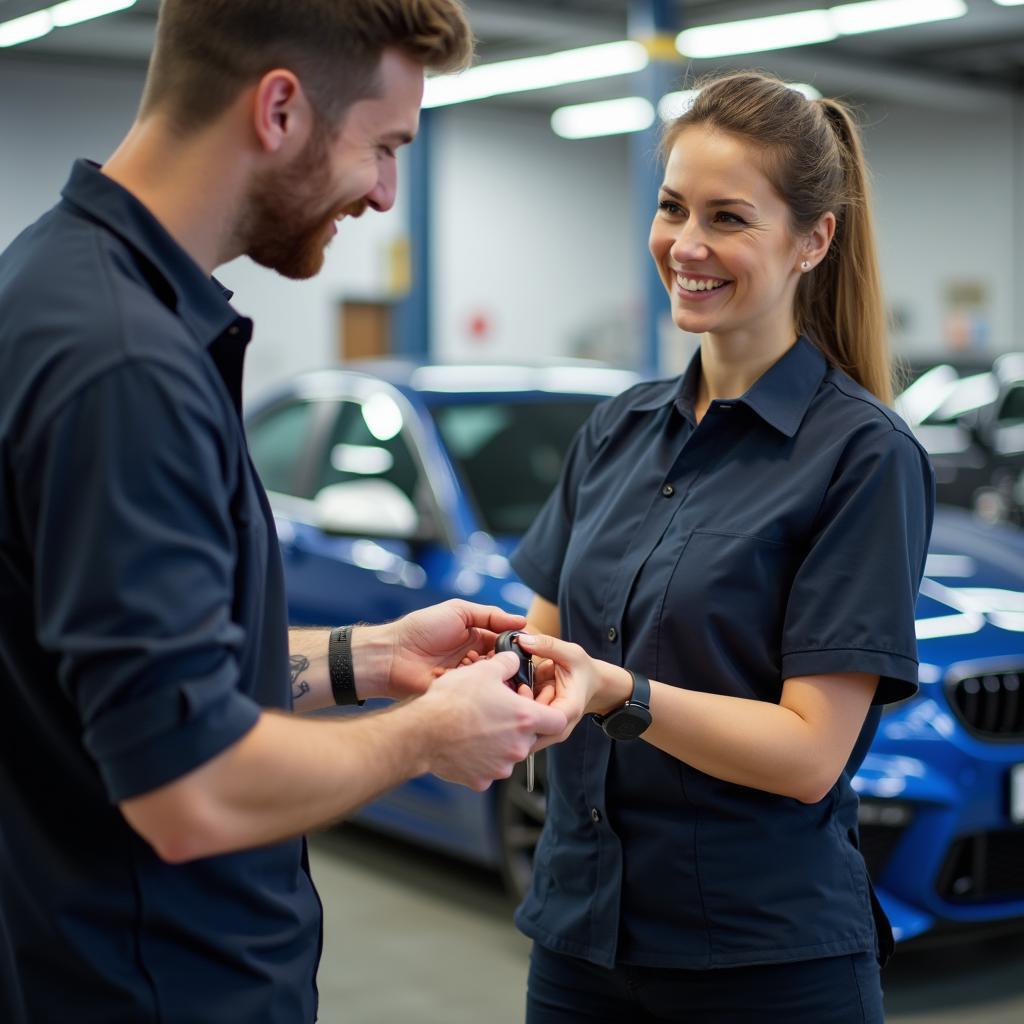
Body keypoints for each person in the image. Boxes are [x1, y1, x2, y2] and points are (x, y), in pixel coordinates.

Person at [0, 2, 567, 1022]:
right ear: (279, 109)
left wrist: (373, 656)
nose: (387, 194)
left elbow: (136, 686)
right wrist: (426, 734)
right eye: (384, 148)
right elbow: (193, 786)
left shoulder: (61, 289)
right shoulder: (125, 362)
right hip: (149, 985)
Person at [507, 72, 935, 1023]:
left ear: (812, 239)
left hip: (762, 967)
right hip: (582, 942)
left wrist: (617, 691)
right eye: (671, 208)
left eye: (729, 218)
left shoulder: (864, 456)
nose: (686, 246)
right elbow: (543, 655)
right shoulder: (616, 431)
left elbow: (807, 752)